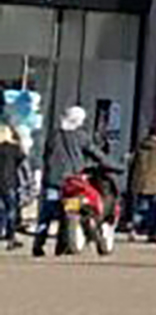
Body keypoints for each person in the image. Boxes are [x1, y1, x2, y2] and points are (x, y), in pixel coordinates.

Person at [31, 104, 105, 258]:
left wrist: (40, 172)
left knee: (47, 214)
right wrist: (116, 165)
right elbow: (97, 154)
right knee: (71, 210)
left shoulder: (53, 135)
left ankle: (38, 244)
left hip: (52, 181)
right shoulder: (81, 137)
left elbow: (44, 155)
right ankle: (64, 244)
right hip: (72, 184)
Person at [0, 124, 24, 249]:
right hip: (9, 182)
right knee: (11, 209)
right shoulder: (13, 148)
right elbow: (21, 159)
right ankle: (11, 237)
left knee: (1, 209)